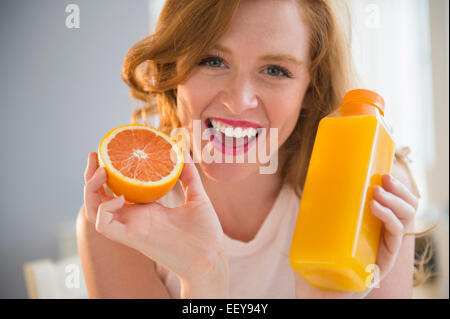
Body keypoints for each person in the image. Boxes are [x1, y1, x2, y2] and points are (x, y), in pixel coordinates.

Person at [77, 0, 422, 298]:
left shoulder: (373, 191)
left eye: (275, 70)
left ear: (310, 91)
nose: (238, 101)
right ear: (173, 68)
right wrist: (203, 277)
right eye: (212, 60)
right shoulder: (120, 216)